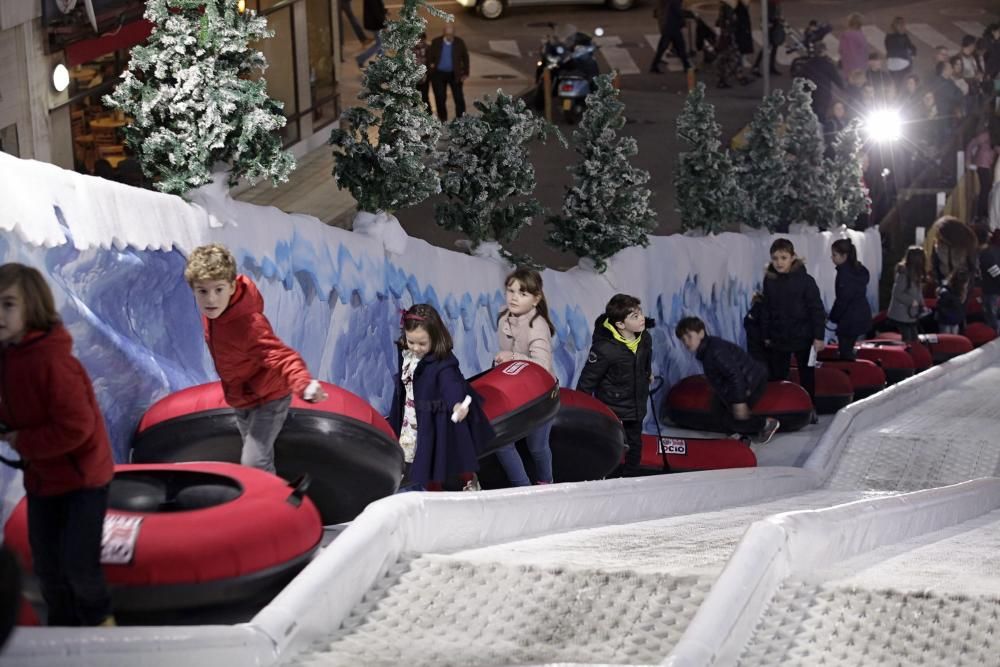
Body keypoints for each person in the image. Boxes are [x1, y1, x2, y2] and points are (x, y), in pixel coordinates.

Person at [0, 263, 114, 627]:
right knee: (48, 568)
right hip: (44, 477)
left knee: (79, 567)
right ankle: (64, 634)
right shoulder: (7, 357)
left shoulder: (52, 361)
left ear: (31, 305)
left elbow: (76, 428)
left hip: (83, 479)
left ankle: (103, 630)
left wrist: (22, 440)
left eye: (8, 304)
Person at [183, 244, 327, 474]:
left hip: (269, 398)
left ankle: (272, 506)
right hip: (242, 398)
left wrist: (304, 384)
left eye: (218, 289)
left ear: (232, 287)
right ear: (193, 290)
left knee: (254, 462)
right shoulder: (214, 313)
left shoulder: (248, 324)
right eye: (202, 291)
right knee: (257, 456)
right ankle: (279, 492)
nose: (211, 299)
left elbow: (282, 356)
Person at [388, 304, 493, 491]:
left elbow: (451, 384)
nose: (416, 348)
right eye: (411, 342)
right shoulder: (406, 351)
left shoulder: (442, 362)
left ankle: (469, 480)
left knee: (440, 454)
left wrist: (456, 404)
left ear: (435, 337)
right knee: (423, 457)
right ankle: (433, 492)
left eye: (422, 343)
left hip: (436, 415)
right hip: (413, 411)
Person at [576, 294, 653, 478]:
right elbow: (587, 381)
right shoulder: (605, 349)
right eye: (634, 316)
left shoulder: (645, 339)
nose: (641, 318)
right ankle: (604, 476)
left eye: (640, 313)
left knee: (635, 444)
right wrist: (582, 411)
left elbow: (646, 362)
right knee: (609, 444)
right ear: (620, 324)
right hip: (612, 408)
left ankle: (630, 478)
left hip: (636, 404)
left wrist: (646, 374)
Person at [493, 268, 556, 486]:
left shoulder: (537, 325)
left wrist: (512, 356)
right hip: (518, 394)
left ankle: (546, 483)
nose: (514, 297)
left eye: (522, 293)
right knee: (502, 442)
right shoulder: (504, 318)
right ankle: (523, 488)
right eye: (510, 291)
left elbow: (543, 366)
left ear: (536, 298)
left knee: (537, 447)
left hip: (541, 395)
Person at [675, 317, 780, 445]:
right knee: (717, 408)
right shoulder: (707, 350)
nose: (686, 342)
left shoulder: (715, 351)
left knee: (737, 416)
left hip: (752, 381)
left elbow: (735, 375)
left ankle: (766, 424)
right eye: (683, 340)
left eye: (689, 336)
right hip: (741, 382)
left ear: (701, 333)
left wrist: (739, 401)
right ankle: (737, 435)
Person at [759, 238, 827, 408]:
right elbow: (766, 308)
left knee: (807, 374)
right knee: (778, 375)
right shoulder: (770, 280)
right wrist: (766, 334)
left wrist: (818, 336)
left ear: (792, 257)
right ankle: (781, 407)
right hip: (779, 337)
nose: (779, 262)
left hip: (803, 336)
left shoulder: (806, 281)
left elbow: (816, 310)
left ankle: (809, 408)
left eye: (783, 257)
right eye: (775, 258)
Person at [828, 239, 872, 360]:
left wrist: (833, 317)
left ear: (844, 256)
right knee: (849, 348)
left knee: (845, 352)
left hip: (849, 319)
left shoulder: (844, 274)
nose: (832, 257)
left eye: (834, 254)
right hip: (860, 315)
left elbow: (843, 299)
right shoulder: (858, 271)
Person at [427, 24, 469, 121]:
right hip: (438, 74)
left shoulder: (459, 42)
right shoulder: (436, 42)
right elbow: (430, 57)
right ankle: (443, 118)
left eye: (451, 34)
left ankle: (461, 119)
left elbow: (465, 58)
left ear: (454, 34)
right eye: (447, 34)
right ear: (444, 33)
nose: (450, 37)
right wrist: (431, 67)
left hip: (455, 74)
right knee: (440, 97)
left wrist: (465, 73)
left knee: (459, 98)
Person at [886, 246, 927, 342]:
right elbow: (897, 293)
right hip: (902, 314)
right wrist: (911, 301)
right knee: (907, 339)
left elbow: (918, 291)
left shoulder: (917, 273)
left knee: (914, 338)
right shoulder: (903, 274)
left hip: (911, 314)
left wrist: (922, 304)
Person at [966, 124, 999, 223]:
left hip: (988, 165)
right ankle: (980, 214)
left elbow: (997, 149)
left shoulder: (994, 137)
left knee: (988, 188)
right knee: (986, 188)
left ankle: (983, 213)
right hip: (982, 164)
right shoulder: (986, 135)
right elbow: (971, 144)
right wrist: (968, 160)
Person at [650, 0, 691, 74]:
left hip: (667, 24)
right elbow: (677, 10)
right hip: (672, 25)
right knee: (680, 46)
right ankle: (687, 67)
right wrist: (685, 18)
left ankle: (687, 66)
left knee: (665, 46)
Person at [977, 226, 1000, 333]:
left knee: (991, 317)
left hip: (991, 290)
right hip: (993, 289)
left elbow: (994, 271)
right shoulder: (992, 251)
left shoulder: (987, 253)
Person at [751, 0, 783, 77]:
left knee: (774, 47)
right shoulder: (771, 3)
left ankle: (771, 67)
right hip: (770, 27)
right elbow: (768, 16)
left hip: (774, 27)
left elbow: (776, 14)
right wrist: (774, 21)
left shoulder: (776, 3)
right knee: (766, 47)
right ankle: (756, 67)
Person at [936, 269, 969, 334]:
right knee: (948, 339)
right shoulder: (947, 292)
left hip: (953, 320)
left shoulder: (960, 292)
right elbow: (941, 306)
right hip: (947, 320)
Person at [884, 17, 917, 83]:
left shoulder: (888, 36)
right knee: (905, 81)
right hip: (903, 64)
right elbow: (911, 47)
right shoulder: (903, 36)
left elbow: (887, 48)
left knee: (894, 83)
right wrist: (913, 53)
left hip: (891, 65)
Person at [838, 13, 869, 82]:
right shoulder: (861, 35)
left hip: (848, 68)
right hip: (861, 67)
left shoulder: (844, 35)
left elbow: (840, 50)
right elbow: (865, 51)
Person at [356, 0, 386, 68]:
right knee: (380, 44)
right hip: (376, 23)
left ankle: (382, 63)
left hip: (375, 22)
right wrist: (384, 24)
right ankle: (361, 58)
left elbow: (377, 7)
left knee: (381, 44)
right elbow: (376, 11)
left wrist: (384, 11)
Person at [743, 292, 766, 363]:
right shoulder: (767, 307)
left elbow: (748, 323)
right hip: (762, 343)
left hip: (756, 344)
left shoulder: (757, 307)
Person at [414, 31, 431, 114]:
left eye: (421, 40)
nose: (420, 42)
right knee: (413, 99)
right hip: (413, 78)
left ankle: (428, 115)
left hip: (425, 78)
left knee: (425, 98)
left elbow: (431, 62)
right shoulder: (411, 49)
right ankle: (413, 116)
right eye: (418, 40)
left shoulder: (428, 48)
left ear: (424, 39)